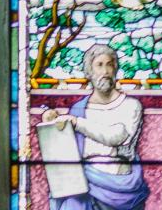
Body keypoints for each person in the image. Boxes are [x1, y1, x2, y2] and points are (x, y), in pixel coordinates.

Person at [39, 44, 149, 210]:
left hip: (121, 184)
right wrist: (52, 122)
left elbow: (117, 136)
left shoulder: (131, 105)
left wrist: (76, 122)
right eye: (99, 65)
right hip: (83, 183)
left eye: (110, 65)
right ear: (89, 72)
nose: (105, 72)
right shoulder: (78, 109)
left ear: (116, 69)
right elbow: (67, 151)